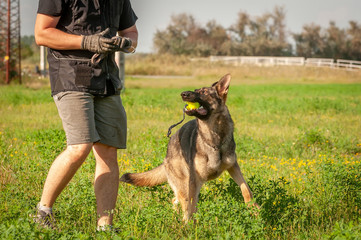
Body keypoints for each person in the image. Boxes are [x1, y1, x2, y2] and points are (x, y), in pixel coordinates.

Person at [33, 0, 138, 231]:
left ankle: (105, 227)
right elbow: (42, 33)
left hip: (107, 78)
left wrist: (126, 43)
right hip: (71, 74)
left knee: (108, 150)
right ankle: (43, 212)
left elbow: (131, 32)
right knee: (80, 146)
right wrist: (86, 41)